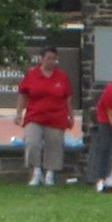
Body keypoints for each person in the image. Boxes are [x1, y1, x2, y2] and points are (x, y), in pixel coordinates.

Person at [15, 46, 74, 187]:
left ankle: (50, 174)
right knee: (32, 142)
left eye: (54, 59)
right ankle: (36, 171)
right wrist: (18, 113)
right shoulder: (32, 75)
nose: (52, 62)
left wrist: (70, 116)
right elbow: (23, 94)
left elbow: (68, 99)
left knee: (54, 144)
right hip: (35, 115)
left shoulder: (61, 77)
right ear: (42, 59)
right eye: (49, 58)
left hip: (56, 117)